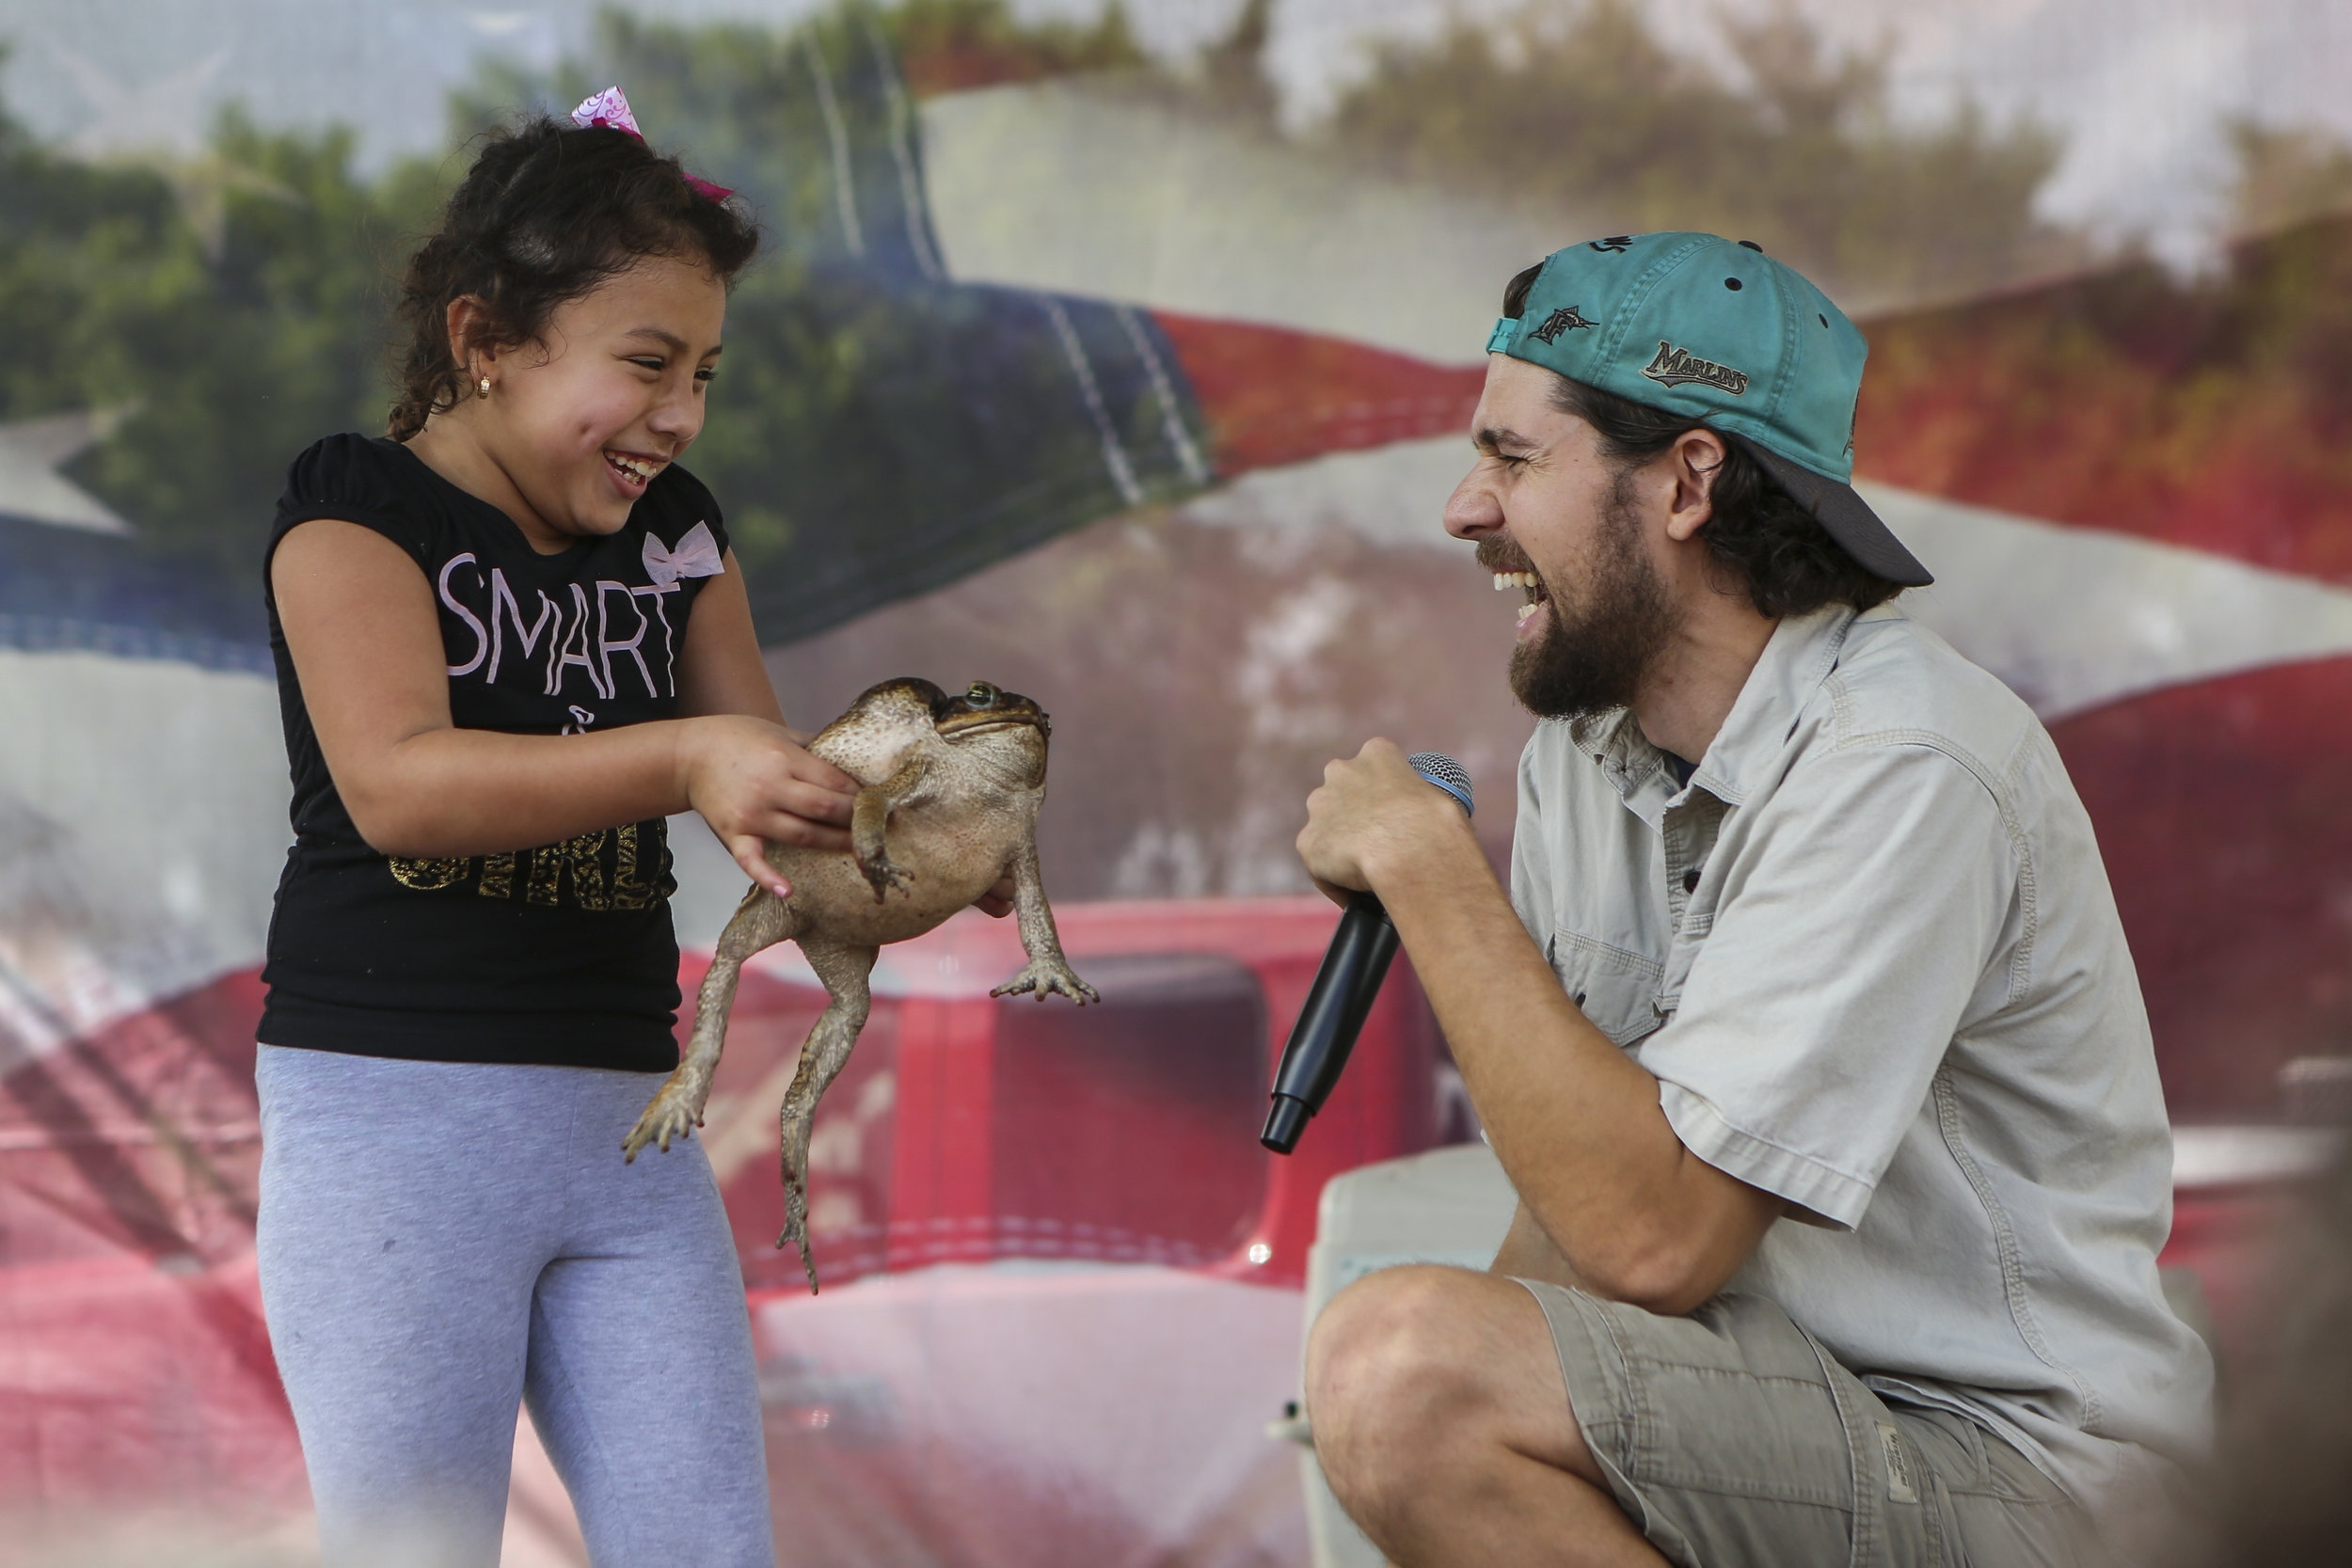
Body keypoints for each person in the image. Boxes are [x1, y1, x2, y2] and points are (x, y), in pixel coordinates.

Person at [1293, 233, 2214, 1566]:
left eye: (1512, 456)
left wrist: (1432, 874)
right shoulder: (1584, 755)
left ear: (1687, 483)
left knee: (1396, 1364)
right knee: (1406, 1378)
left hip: (2025, 1477)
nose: (1463, 508)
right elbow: (1576, 1232)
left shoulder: (1904, 757)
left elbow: (1659, 1241)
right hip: (1792, 1418)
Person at [253, 93, 1001, 1565]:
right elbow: (397, 782)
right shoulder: (353, 507)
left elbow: (764, 797)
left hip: (628, 1127)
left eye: (706, 373)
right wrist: (690, 756)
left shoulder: (678, 534)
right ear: (483, 340)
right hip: (396, 1129)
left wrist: (914, 840)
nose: (682, 415)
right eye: (649, 364)